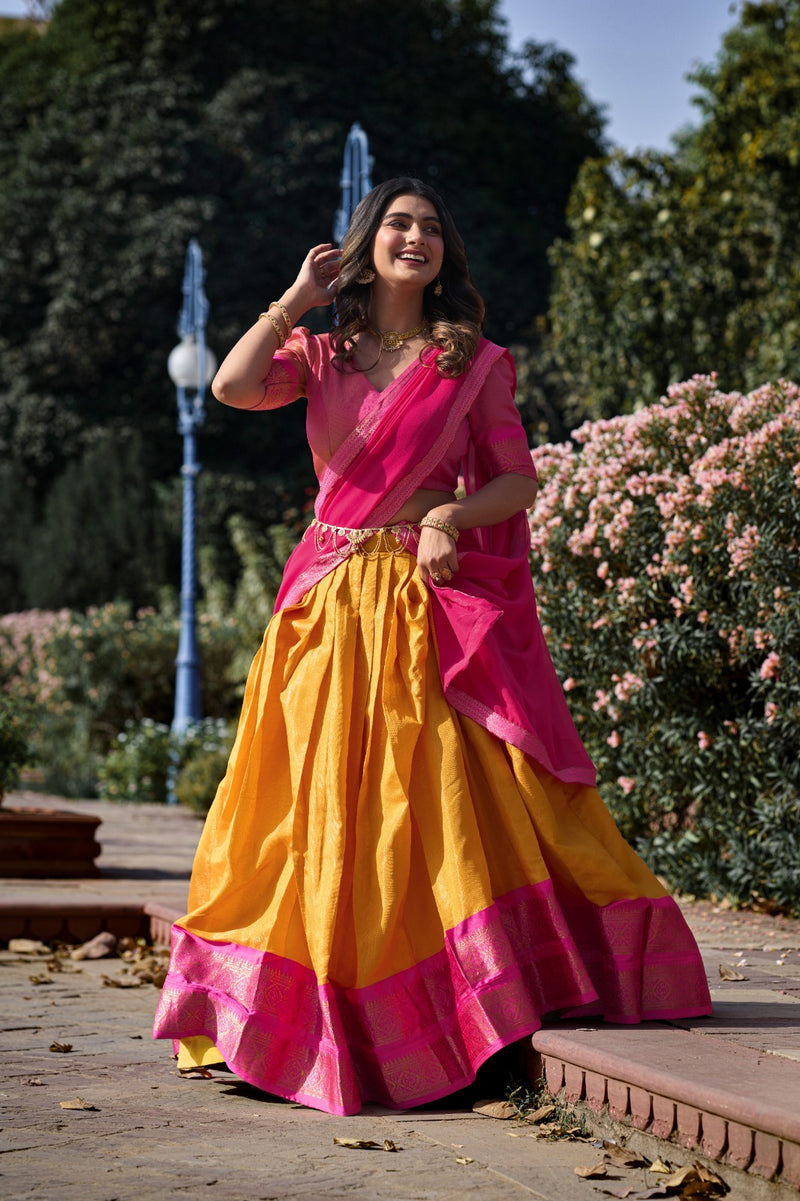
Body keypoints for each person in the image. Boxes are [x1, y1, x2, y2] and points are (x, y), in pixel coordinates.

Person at [153, 177, 711, 1116]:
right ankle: (293, 1024)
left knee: (432, 806)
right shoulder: (321, 351)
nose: (416, 239)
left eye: (432, 229)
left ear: (446, 254)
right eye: (399, 225)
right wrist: (294, 299)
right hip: (327, 611)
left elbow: (517, 483)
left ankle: (465, 1016)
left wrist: (451, 509)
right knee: (314, 806)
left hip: (421, 606)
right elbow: (232, 385)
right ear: (367, 244)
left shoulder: (474, 362)